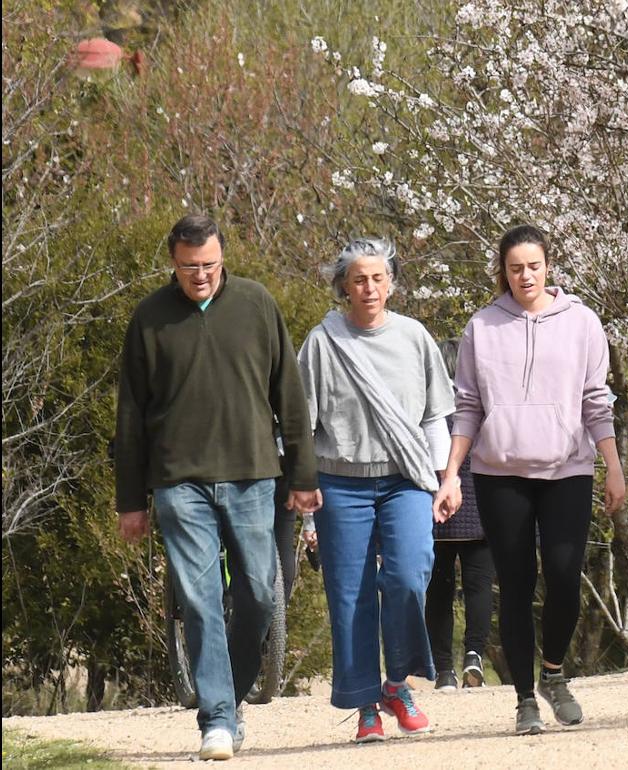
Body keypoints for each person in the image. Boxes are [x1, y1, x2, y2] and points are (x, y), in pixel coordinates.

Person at [114, 214, 320, 761]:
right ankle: (218, 720)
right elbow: (130, 415)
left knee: (257, 591)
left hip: (253, 475)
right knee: (201, 601)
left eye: (207, 265)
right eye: (188, 268)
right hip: (179, 483)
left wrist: (302, 475)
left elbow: (289, 396)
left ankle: (229, 695)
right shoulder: (150, 319)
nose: (199, 276)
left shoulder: (256, 304)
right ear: (173, 264)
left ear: (222, 258)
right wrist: (130, 500)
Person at [433, 224, 626, 736]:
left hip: (568, 468)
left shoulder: (581, 322)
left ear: (548, 267)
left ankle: (554, 672)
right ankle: (524, 699)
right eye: (515, 267)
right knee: (515, 585)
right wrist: (452, 475)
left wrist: (613, 465)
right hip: (500, 473)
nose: (525, 276)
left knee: (564, 578)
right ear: (504, 271)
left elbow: (595, 398)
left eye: (534, 266)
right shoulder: (483, 326)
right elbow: (468, 406)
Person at [296, 237, 455, 744]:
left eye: (378, 278)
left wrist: (443, 479)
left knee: (410, 576)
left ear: (391, 283)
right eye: (358, 279)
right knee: (349, 596)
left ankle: (396, 683)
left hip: (406, 479)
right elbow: (300, 426)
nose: (369, 288)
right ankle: (365, 702)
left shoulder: (414, 338)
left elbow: (435, 415)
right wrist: (302, 501)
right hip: (339, 482)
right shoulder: (322, 343)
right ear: (343, 285)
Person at [425, 339, 495, 692]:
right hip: (479, 507)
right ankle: (474, 655)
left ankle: (443, 670)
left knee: (438, 590)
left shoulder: (429, 404)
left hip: (436, 509)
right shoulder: (479, 403)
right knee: (479, 586)